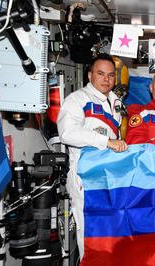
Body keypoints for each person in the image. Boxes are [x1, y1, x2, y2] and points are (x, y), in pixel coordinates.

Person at [57, 53, 128, 259]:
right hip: (84, 176)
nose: (106, 79)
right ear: (89, 75)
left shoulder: (115, 101)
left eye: (111, 75)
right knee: (88, 230)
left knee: (109, 229)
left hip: (109, 175)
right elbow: (67, 133)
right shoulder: (77, 100)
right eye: (100, 74)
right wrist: (105, 142)